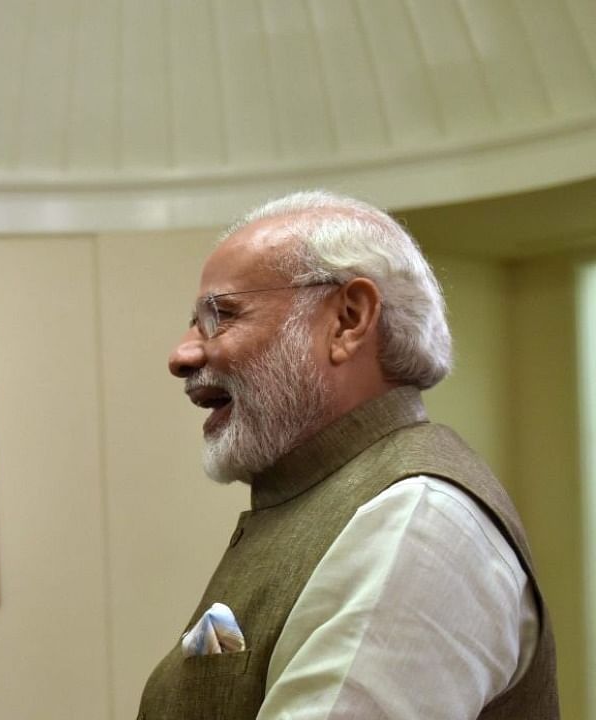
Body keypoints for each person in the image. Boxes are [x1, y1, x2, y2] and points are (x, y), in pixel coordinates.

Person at [138, 190, 558, 719]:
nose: (182, 354)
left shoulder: (415, 519)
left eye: (220, 316)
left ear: (348, 320)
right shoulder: (324, 497)